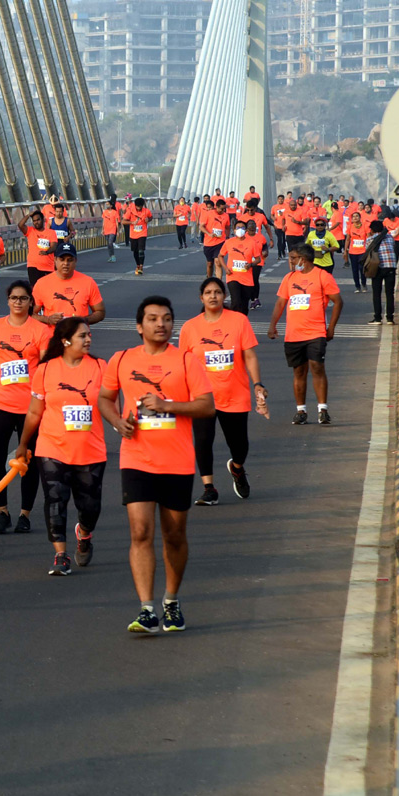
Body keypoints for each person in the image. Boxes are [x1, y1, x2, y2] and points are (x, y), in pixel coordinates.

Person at [98, 296, 214, 635]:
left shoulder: (186, 360)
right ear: (139, 326)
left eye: (165, 318)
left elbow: (207, 407)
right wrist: (117, 422)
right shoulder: (121, 359)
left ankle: (172, 601)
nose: (160, 324)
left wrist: (168, 405)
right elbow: (105, 398)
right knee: (140, 532)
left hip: (177, 461)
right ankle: (146, 609)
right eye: (152, 319)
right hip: (137, 458)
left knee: (174, 536)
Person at [14, 317, 107, 576]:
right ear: (65, 341)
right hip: (52, 447)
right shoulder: (45, 370)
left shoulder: (100, 367)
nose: (88, 339)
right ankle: (60, 554)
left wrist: (122, 425)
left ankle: (84, 534)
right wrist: (23, 444)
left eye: (89, 335)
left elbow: (110, 405)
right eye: (82, 336)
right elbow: (34, 412)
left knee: (90, 507)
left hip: (91, 449)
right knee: (55, 500)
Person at [179, 279, 269, 506]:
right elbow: (182, 365)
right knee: (202, 442)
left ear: (224, 296)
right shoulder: (190, 328)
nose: (213, 296)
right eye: (208, 292)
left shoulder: (239, 321)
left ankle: (237, 468)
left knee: (239, 445)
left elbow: (249, 355)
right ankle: (209, 488)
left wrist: (257, 383)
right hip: (202, 398)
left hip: (234, 394)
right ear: (201, 298)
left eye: (218, 292)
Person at [0, 281, 51, 534]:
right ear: (7, 300)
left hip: (30, 407)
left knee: (28, 461)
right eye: (14, 297)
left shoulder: (41, 330)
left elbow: (47, 369)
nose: (18, 302)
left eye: (23, 298)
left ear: (31, 302)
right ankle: (2, 511)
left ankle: (25, 514)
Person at [267, 246, 342, 426]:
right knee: (299, 371)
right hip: (294, 334)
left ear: (303, 259)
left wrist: (331, 328)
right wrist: (272, 326)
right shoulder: (289, 278)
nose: (290, 261)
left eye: (293, 258)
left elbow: (338, 301)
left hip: (316, 332)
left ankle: (322, 410)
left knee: (317, 367)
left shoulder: (322, 276)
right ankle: (301, 411)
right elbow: (280, 303)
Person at [32, 242, 106, 326]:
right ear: (55, 260)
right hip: (52, 337)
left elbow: (100, 312)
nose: (66, 264)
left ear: (75, 261)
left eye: (69, 260)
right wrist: (48, 319)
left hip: (78, 337)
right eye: (62, 259)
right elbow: (30, 313)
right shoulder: (42, 283)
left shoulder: (88, 282)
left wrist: (82, 320)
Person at [216, 221, 261, 315]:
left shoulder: (252, 243)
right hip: (232, 276)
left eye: (242, 228)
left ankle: (242, 323)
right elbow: (220, 256)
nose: (240, 230)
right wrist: (225, 268)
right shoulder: (229, 242)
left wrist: (250, 265)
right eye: (238, 227)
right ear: (234, 229)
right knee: (235, 301)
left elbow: (258, 259)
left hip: (247, 279)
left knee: (244, 305)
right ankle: (233, 323)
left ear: (246, 230)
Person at [367, 219, 398, 325]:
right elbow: (393, 248)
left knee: (377, 293)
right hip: (391, 267)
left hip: (377, 268)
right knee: (390, 293)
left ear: (372, 230)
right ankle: (390, 318)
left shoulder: (370, 240)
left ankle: (377, 318)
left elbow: (368, 253)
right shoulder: (390, 237)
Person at [18, 206, 58, 286]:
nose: (36, 222)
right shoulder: (30, 231)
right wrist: (29, 215)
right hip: (33, 266)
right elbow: (20, 225)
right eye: (34, 221)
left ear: (43, 220)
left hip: (48, 267)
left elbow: (54, 246)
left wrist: (47, 252)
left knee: (48, 290)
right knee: (35, 289)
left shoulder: (51, 232)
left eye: (38, 220)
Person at [343, 210, 370, 293]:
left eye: (357, 216)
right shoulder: (350, 227)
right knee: (354, 270)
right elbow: (348, 239)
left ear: (360, 218)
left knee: (362, 269)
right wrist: (345, 251)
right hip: (352, 251)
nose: (355, 218)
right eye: (353, 217)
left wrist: (369, 250)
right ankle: (357, 286)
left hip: (362, 251)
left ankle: (364, 284)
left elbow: (368, 238)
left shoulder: (365, 226)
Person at [124, 197, 152, 274]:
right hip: (133, 234)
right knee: (135, 251)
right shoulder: (130, 211)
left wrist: (148, 220)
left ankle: (141, 266)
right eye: (137, 207)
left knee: (141, 250)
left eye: (140, 207)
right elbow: (123, 221)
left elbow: (151, 217)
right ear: (135, 205)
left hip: (142, 233)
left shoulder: (146, 211)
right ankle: (137, 265)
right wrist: (132, 223)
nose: (139, 208)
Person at [200, 199, 226, 278]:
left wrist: (227, 237)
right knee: (210, 264)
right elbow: (201, 226)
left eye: (224, 209)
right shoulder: (208, 214)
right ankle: (209, 279)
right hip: (208, 243)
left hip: (220, 242)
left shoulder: (226, 216)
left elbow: (228, 227)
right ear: (216, 207)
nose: (223, 210)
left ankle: (219, 283)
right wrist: (209, 234)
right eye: (221, 209)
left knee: (218, 262)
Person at [270, 195, 288, 259]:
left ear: (283, 199)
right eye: (279, 199)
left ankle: (283, 250)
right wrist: (273, 218)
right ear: (277, 200)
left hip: (285, 226)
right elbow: (271, 215)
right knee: (279, 240)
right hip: (277, 226)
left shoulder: (286, 207)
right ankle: (279, 254)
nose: (280, 200)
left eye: (282, 199)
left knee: (284, 240)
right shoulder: (274, 207)